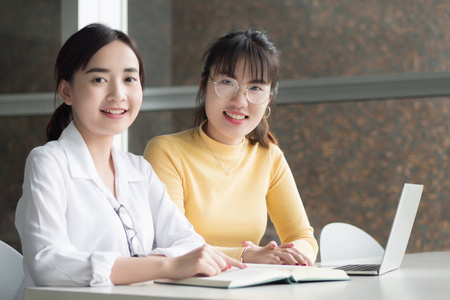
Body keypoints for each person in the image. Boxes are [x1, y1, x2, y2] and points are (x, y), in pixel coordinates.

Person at [14, 23, 244, 300]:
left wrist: (153, 265)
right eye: (99, 79)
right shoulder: (48, 162)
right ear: (67, 92)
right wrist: (163, 265)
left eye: (129, 79)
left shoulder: (138, 169)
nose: (118, 94)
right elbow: (47, 263)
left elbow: (189, 244)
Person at [144, 29, 318, 266]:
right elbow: (172, 245)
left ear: (269, 98)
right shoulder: (166, 151)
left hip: (248, 286)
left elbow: (303, 237)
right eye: (227, 82)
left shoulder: (269, 157)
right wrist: (248, 256)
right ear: (204, 85)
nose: (240, 101)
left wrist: (288, 255)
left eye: (256, 88)